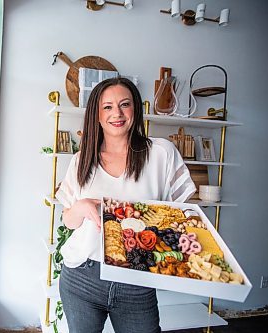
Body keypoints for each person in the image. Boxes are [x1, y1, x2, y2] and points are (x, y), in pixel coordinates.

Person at [55, 77, 196, 333]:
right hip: (83, 276)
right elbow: (68, 220)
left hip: (137, 280)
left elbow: (184, 214)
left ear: (136, 110)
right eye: (107, 107)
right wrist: (81, 206)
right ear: (96, 115)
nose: (117, 113)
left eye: (124, 104)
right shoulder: (82, 159)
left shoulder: (161, 154)